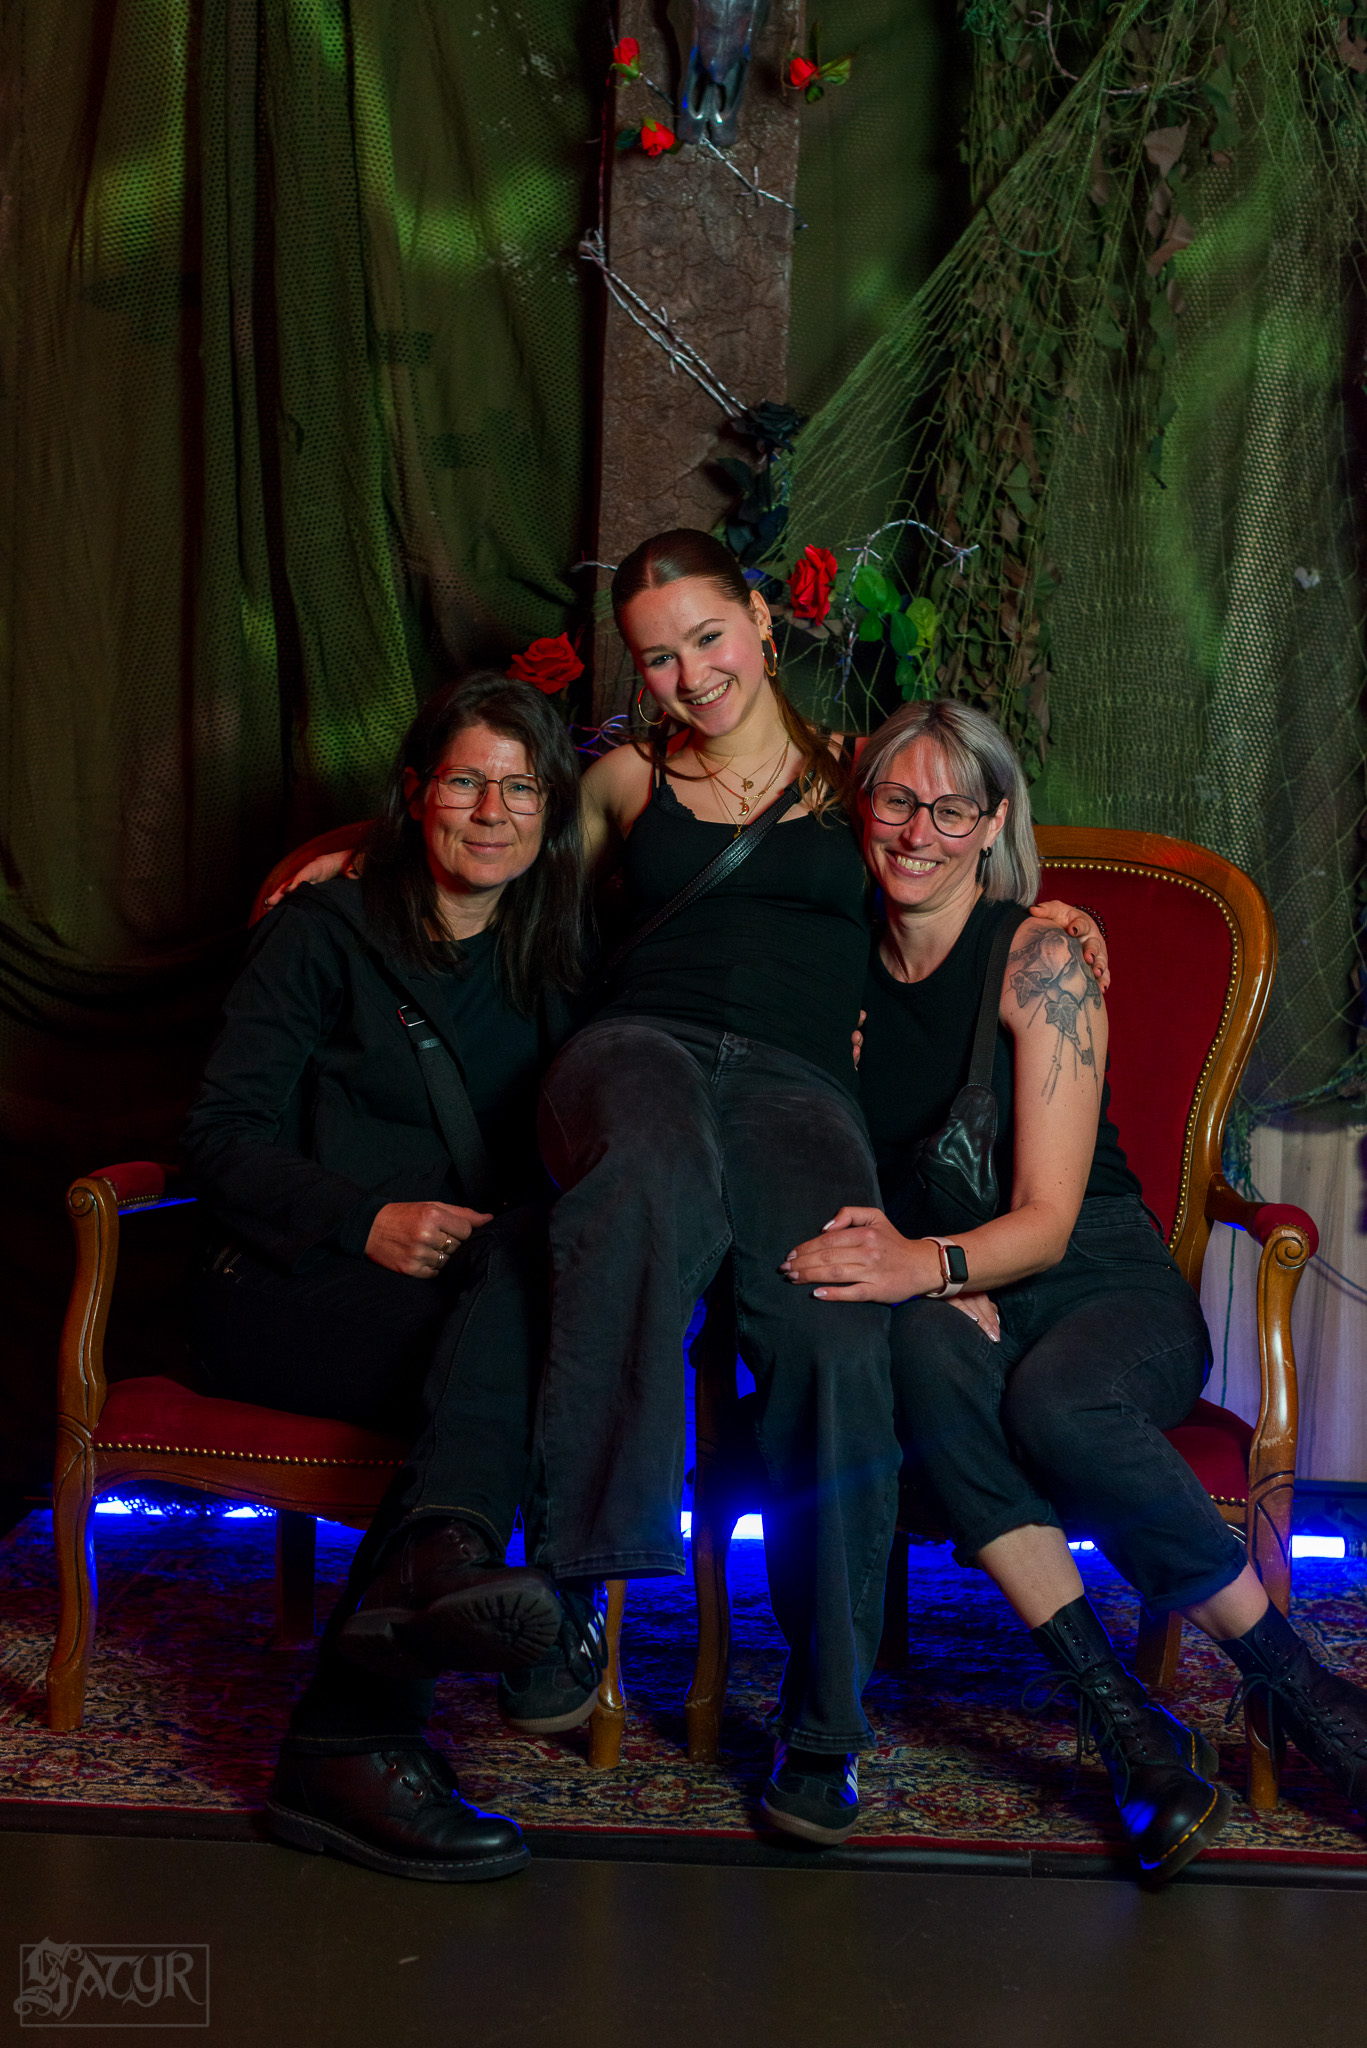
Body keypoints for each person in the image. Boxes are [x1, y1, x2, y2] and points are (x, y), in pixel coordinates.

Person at [781, 696, 1367, 1880]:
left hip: (1097, 1277)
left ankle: (1295, 1687)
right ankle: (1129, 1731)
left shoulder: (1039, 955)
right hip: (958, 1284)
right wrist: (928, 1280)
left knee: (1056, 1401)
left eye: (951, 808)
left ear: (992, 821)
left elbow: (1045, 1222)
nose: (918, 831)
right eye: (895, 800)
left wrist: (927, 1264)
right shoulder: (830, 970)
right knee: (920, 1353)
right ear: (859, 806)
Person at [182, 673, 605, 1884]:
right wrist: (361, 1217)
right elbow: (215, 1139)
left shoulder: (554, 952)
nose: (492, 811)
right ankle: (409, 1670)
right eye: (466, 780)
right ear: (416, 792)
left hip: (466, 1304)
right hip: (280, 1288)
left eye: (520, 787)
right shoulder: (323, 932)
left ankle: (362, 1704)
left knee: (530, 1284)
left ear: (550, 810)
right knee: (516, 1344)